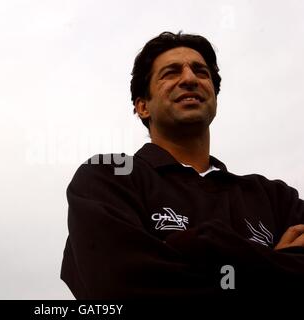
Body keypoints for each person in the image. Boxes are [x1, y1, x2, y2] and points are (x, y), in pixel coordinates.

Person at [60, 31, 304, 300]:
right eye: (171, 73)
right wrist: (273, 266)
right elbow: (119, 287)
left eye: (200, 72)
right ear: (143, 106)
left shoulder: (276, 198)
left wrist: (206, 245)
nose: (189, 79)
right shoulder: (108, 177)